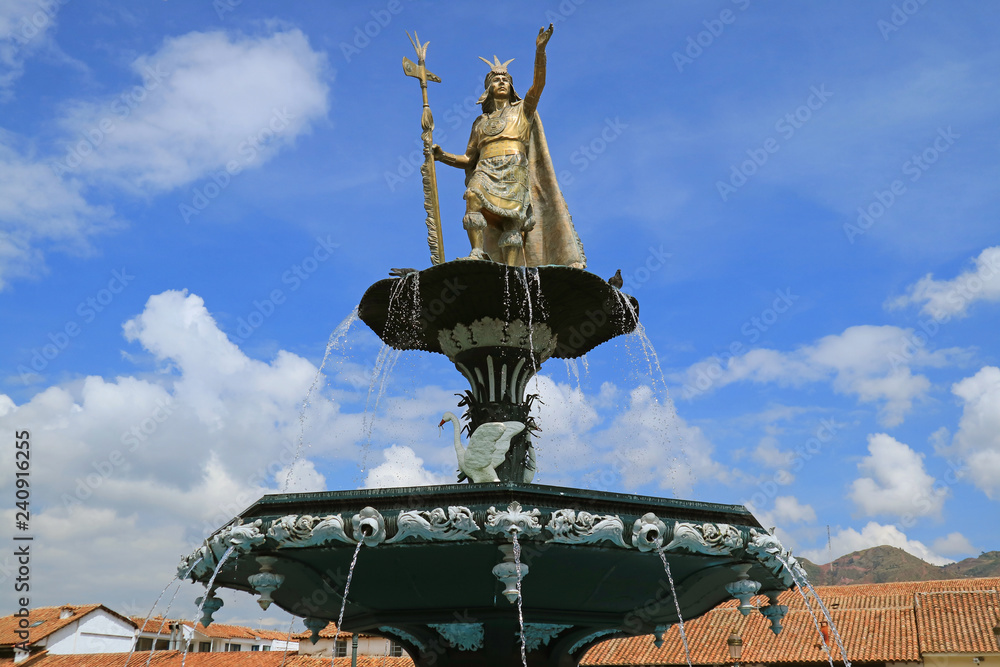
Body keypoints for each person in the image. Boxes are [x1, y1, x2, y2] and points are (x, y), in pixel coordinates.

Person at [433, 25, 586, 268]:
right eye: (496, 80)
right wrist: (441, 156)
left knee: (511, 221)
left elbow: (538, 85)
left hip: (514, 169)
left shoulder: (523, 111)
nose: (501, 82)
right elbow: (467, 159)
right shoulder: (481, 123)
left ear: (511, 86)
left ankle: (513, 270)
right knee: (472, 195)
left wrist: (540, 51)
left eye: (506, 79)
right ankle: (477, 251)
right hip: (485, 168)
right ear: (488, 88)